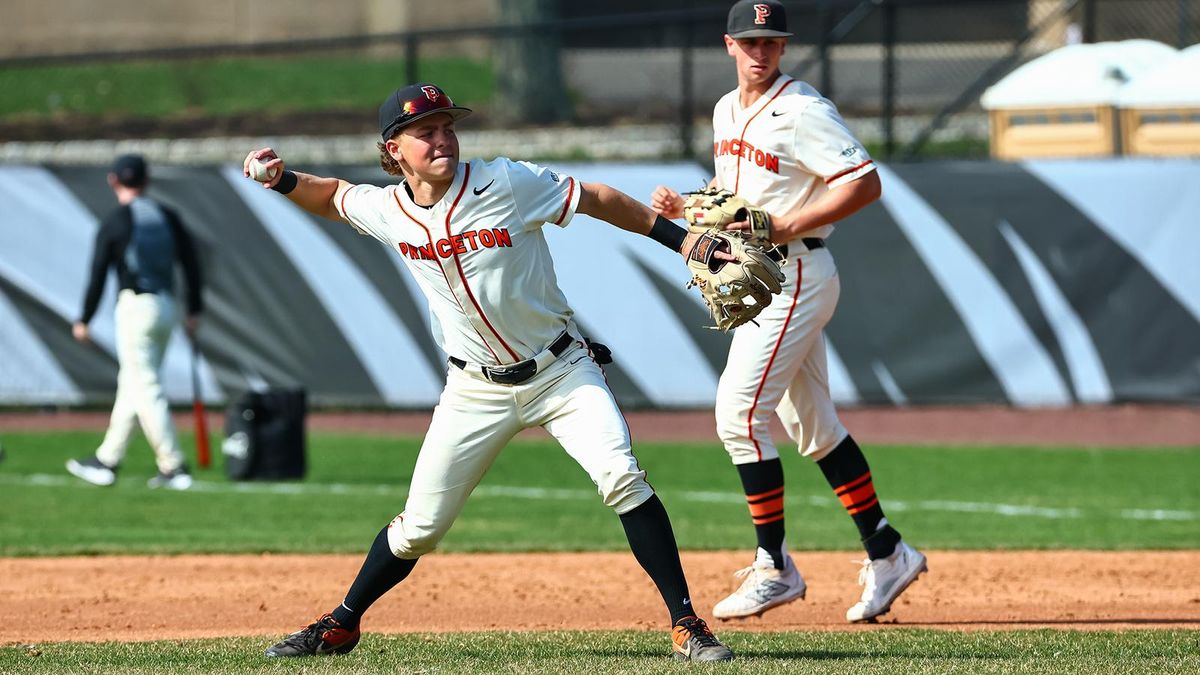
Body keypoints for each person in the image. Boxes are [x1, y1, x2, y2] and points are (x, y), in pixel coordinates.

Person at [247, 82, 734, 661]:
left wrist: (684, 242)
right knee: (420, 528)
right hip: (473, 389)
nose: (442, 138)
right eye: (425, 131)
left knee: (621, 476)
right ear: (393, 149)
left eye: (447, 126)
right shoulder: (389, 209)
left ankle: (686, 623)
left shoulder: (505, 182)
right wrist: (281, 181)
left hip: (561, 372)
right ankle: (343, 623)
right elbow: (333, 197)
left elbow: (598, 197)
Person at [651, 0, 926, 623]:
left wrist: (785, 225)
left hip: (796, 272)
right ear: (729, 45)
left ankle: (774, 566)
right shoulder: (726, 110)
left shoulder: (803, 110)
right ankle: (888, 552)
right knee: (813, 427)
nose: (761, 50)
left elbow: (863, 182)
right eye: (750, 40)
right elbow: (737, 206)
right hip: (763, 274)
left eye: (772, 40)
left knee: (738, 416)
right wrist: (688, 211)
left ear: (783, 47)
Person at [66, 154, 203, 491]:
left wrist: (84, 318)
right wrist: (194, 309)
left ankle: (174, 466)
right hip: (166, 307)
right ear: (147, 180)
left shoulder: (115, 222)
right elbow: (191, 262)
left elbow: (98, 272)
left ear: (114, 180)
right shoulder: (168, 216)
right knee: (133, 384)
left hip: (135, 308)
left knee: (146, 386)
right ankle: (107, 460)